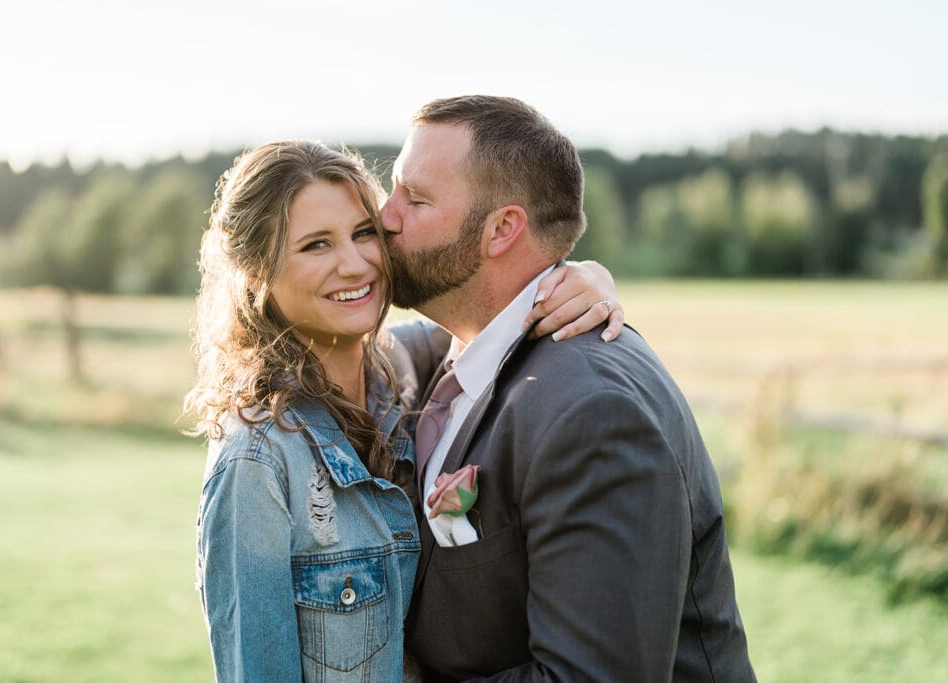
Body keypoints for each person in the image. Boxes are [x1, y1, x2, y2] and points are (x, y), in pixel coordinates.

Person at [187, 140, 626, 681]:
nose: (354, 264)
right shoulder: (257, 463)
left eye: (363, 233)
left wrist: (581, 277)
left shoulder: (402, 376)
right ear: (256, 272)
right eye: (315, 245)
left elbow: (490, 320)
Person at [381, 96, 756, 681]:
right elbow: (365, 355)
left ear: (502, 229)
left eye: (415, 198)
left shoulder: (594, 414)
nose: (385, 216)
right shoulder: (469, 347)